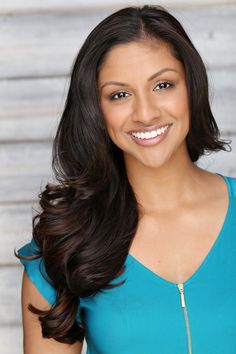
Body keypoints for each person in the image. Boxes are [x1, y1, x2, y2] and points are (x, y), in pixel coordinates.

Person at [16, 4, 235, 354]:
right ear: (95, 110)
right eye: (119, 94)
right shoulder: (64, 248)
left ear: (192, 87)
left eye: (163, 85)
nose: (146, 113)